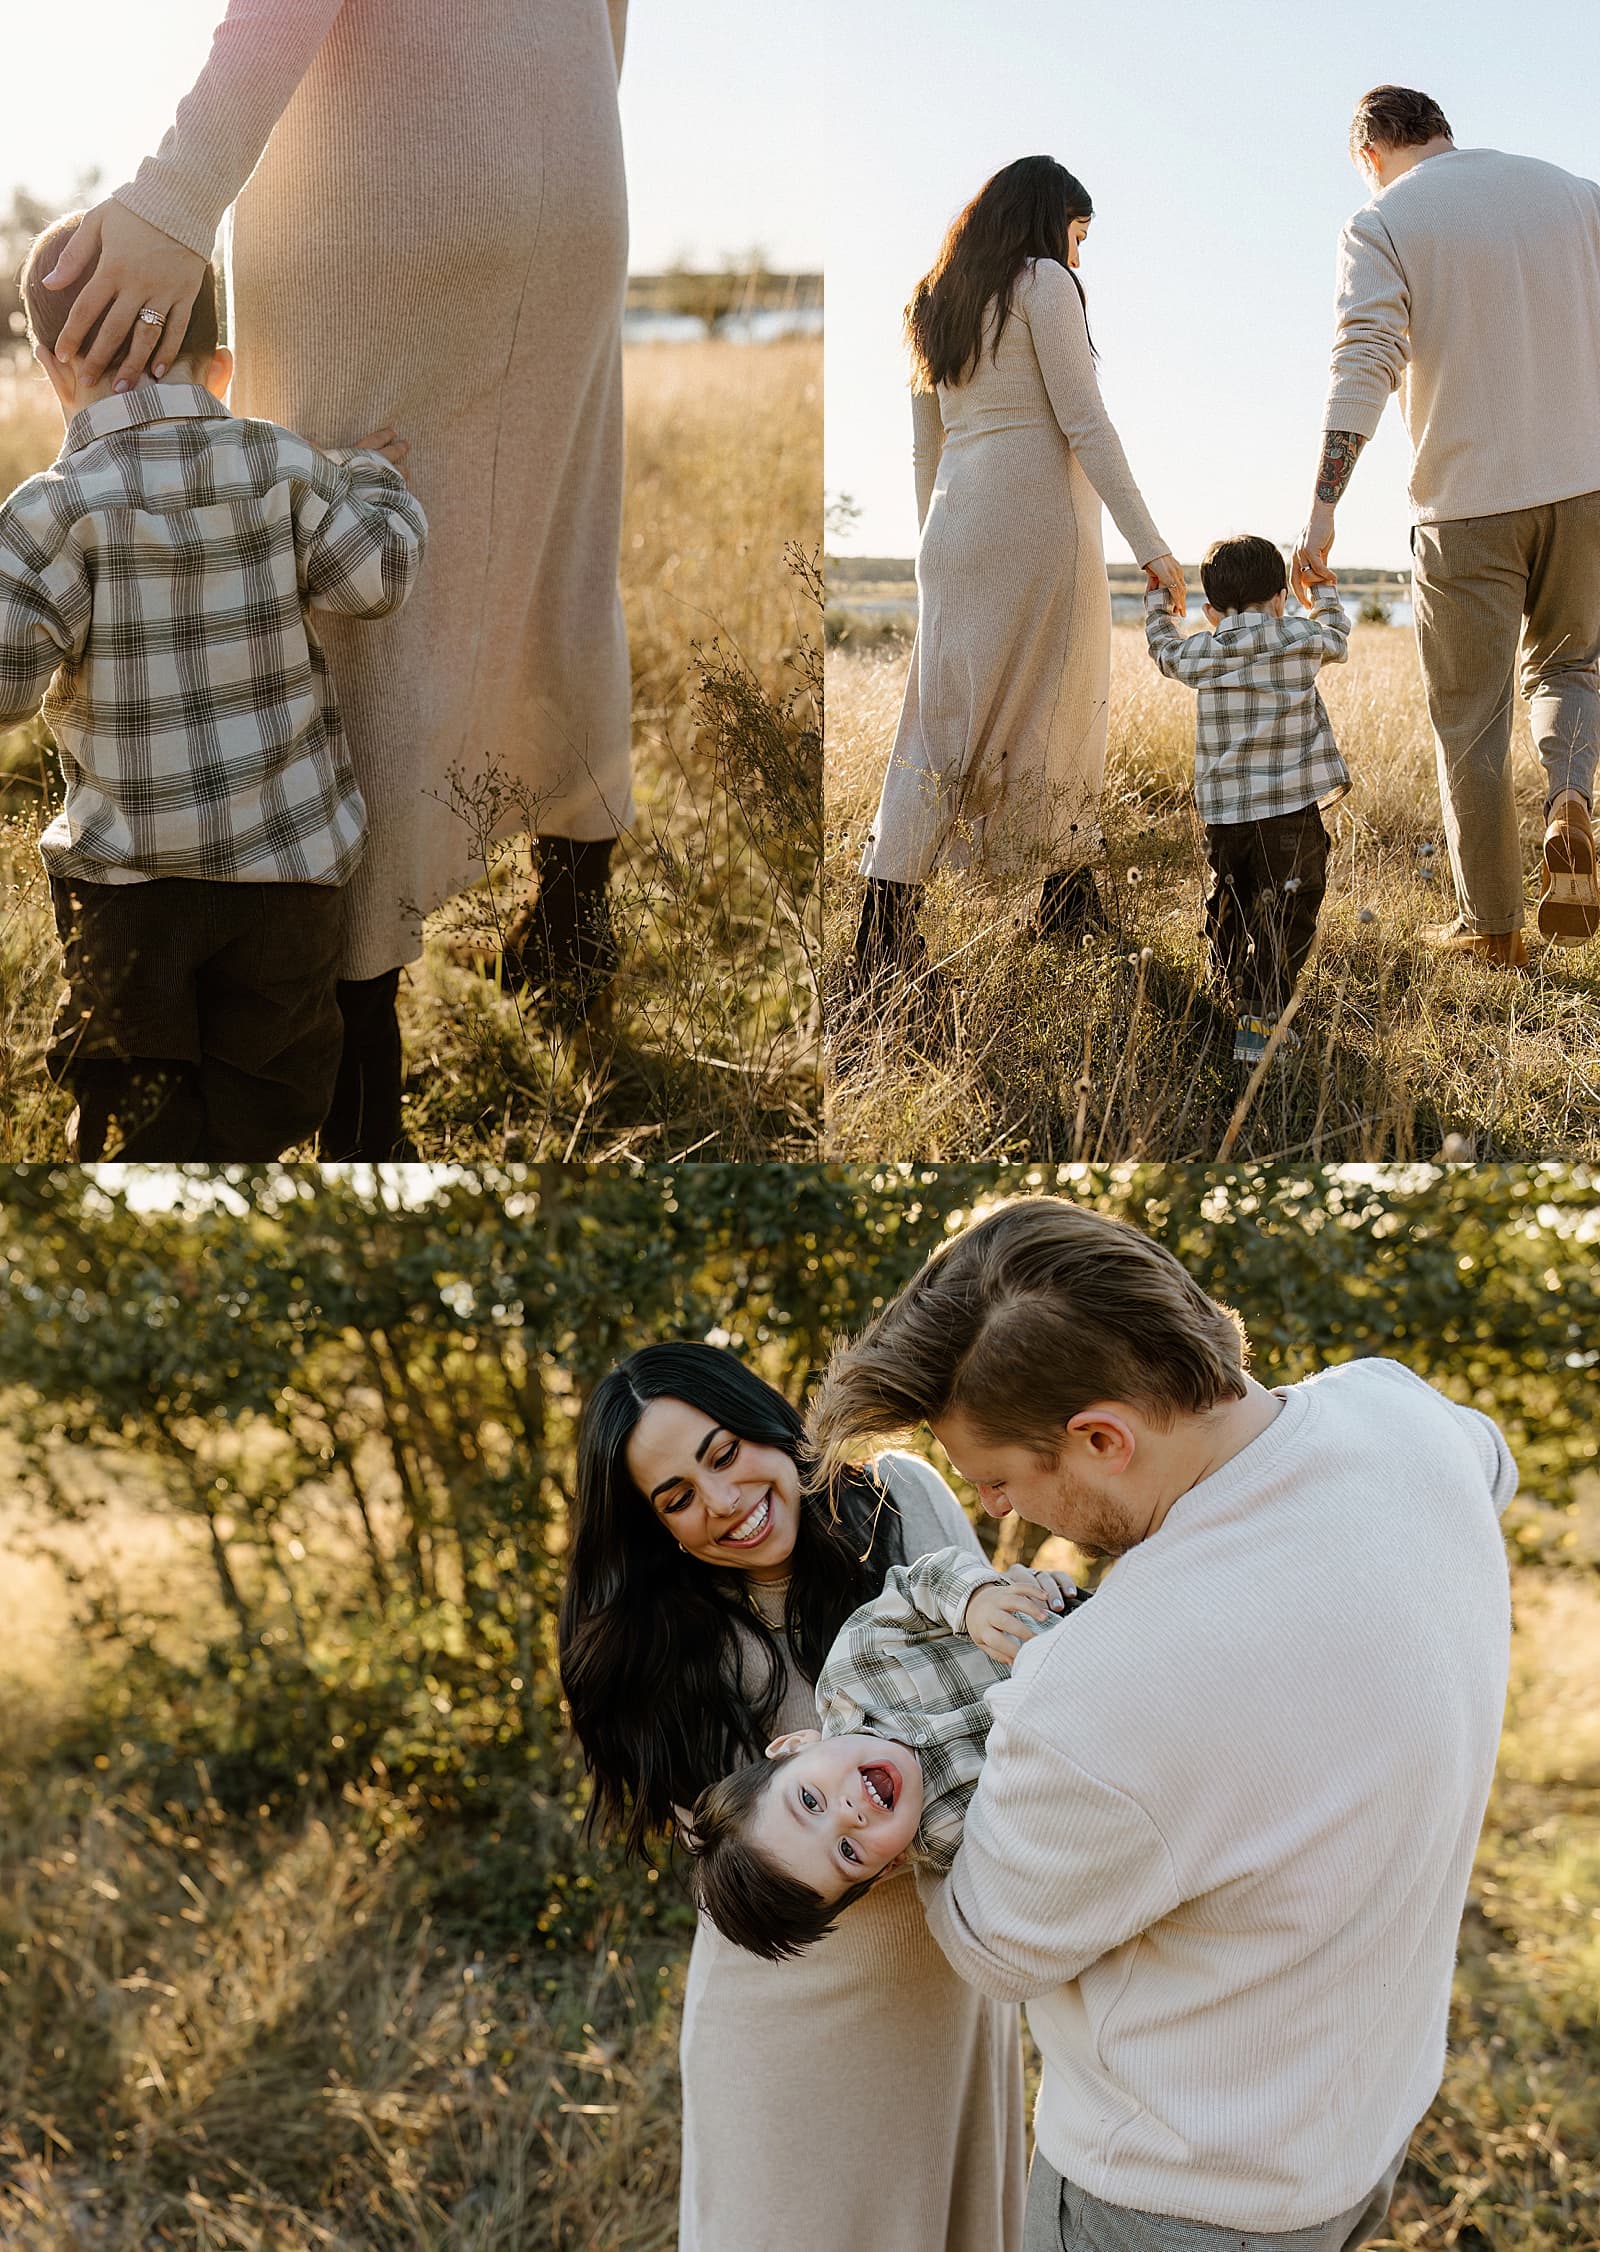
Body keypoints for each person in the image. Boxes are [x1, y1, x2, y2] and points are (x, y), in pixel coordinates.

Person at [812, 1195, 1515, 2252]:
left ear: (1101, 1436)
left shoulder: (1098, 1686)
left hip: (1172, 2200)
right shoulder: (1401, 1414)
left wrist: (919, 1773)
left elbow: (994, 1945)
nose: (1002, 1514)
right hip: (1362, 2136)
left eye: (1000, 1481)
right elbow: (1488, 1462)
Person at [41, 0, 635, 1155]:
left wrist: (178, 192)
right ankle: (572, 916)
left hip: (394, 166)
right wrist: (563, 110)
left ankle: (360, 1054)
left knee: (343, 601)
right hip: (575, 156)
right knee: (556, 546)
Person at [557, 1342, 1026, 2252]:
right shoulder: (674, 1650)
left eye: (724, 1453)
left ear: (769, 1421)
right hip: (785, 2000)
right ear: (655, 1528)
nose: (723, 1503)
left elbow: (995, 1689)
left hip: (945, 1972)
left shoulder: (898, 1500)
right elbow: (764, 1848)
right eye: (677, 1498)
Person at [0, 218, 425, 1161]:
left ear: (54, 373)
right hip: (287, 878)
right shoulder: (283, 466)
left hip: (129, 889)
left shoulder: (53, 510)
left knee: (129, 1098)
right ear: (220, 367)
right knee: (273, 1086)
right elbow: (378, 577)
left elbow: (5, 680)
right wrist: (373, 481)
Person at [853, 155, 1185, 1006]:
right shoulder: (1043, 284)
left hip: (953, 526)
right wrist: (1152, 546)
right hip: (1038, 525)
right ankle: (1065, 900)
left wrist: (939, 541)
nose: (1080, 256)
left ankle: (884, 930)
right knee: (1062, 703)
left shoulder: (932, 298)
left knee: (934, 722)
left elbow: (925, 449)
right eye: (1078, 235)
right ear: (1050, 221)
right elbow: (1085, 421)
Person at [1293, 84, 1600, 968]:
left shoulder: (1382, 219)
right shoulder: (1574, 193)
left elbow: (1365, 360)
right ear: (1445, 132)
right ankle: (1570, 801)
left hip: (1467, 503)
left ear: (1368, 154)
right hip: (1585, 489)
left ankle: (1494, 928)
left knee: (1470, 713)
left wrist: (1321, 513)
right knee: (1571, 667)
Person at [688, 1542, 1084, 1959]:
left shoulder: (855, 1666)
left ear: (794, 1747)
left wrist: (977, 1599)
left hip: (1070, 1619)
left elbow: (918, 1585)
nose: (849, 1815)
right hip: (1109, 1708)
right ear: (886, 1869)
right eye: (848, 1851)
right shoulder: (955, 1840)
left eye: (809, 1800)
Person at [1146, 533, 1350, 1063]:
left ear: (1212, 611)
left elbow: (1164, 652)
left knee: (1230, 899)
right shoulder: (1300, 638)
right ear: (1281, 597)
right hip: (1290, 814)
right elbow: (1338, 636)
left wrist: (1159, 605)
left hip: (1226, 816)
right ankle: (1260, 1024)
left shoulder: (1205, 650)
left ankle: (1225, 980)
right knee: (1290, 913)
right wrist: (1321, 592)